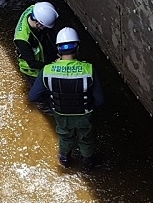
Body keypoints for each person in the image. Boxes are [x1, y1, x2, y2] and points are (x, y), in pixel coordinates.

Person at [28, 27, 105, 171]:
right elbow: (100, 100)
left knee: (65, 136)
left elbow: (33, 96)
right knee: (86, 138)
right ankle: (88, 163)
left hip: (61, 113)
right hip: (84, 114)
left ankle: (65, 161)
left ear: (58, 50)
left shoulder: (47, 71)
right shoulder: (89, 69)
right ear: (77, 47)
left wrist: (52, 104)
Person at [13, 2, 59, 113]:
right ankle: (45, 107)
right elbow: (32, 63)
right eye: (44, 26)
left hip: (41, 53)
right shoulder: (23, 39)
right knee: (40, 92)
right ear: (38, 23)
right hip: (32, 71)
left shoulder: (36, 9)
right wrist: (53, 65)